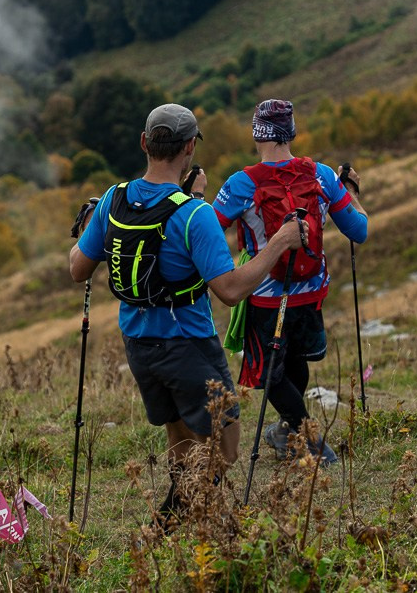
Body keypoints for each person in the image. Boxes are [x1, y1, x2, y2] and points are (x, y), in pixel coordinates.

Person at [68, 103, 305, 530]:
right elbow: (230, 290)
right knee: (226, 446)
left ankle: (176, 518)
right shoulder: (194, 214)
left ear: (145, 143)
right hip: (189, 344)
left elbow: (77, 268)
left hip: (138, 345)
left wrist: (91, 225)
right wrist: (280, 243)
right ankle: (188, 519)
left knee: (179, 434)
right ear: (190, 149)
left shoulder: (113, 199)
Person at [213, 99, 368, 465]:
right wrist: (355, 197)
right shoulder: (322, 175)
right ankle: (286, 433)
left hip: (266, 296)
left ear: (256, 133)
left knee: (269, 372)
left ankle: (309, 439)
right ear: (292, 131)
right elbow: (358, 231)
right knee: (295, 360)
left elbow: (205, 230)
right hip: (311, 291)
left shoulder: (241, 183)